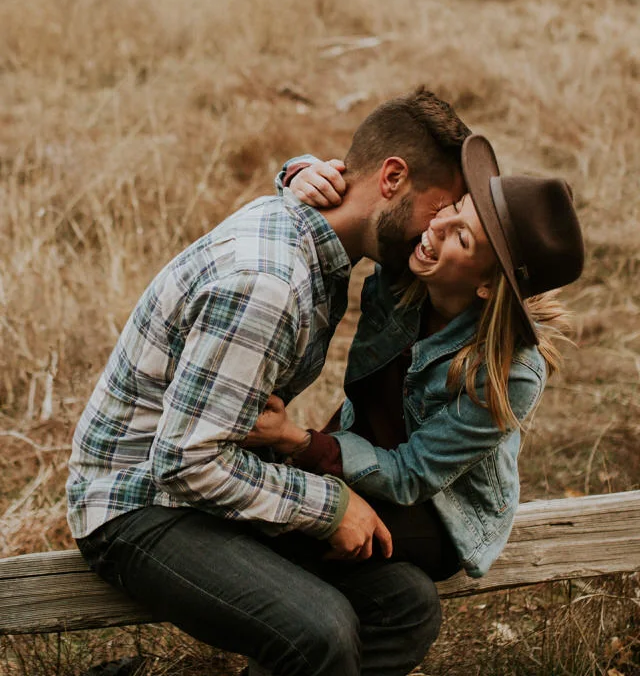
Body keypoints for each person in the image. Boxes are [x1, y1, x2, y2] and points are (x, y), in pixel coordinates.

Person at [66, 87, 472, 676]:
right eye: (439, 209)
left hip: (203, 476)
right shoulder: (269, 283)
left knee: (406, 604)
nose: (435, 231)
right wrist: (332, 504)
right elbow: (185, 462)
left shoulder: (313, 241)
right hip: (137, 501)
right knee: (321, 633)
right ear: (391, 179)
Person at [245, 134, 584, 585]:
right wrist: (302, 173)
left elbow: (411, 476)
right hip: (358, 449)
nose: (436, 228)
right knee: (271, 508)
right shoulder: (410, 267)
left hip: (435, 511)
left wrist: (298, 441)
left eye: (461, 237)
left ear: (487, 285)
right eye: (456, 207)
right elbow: (370, 193)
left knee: (288, 529)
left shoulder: (510, 373)